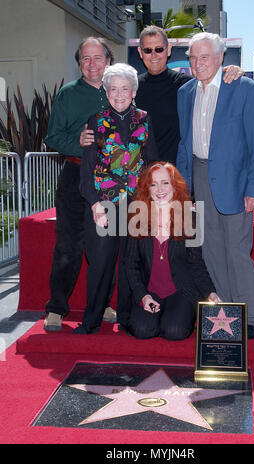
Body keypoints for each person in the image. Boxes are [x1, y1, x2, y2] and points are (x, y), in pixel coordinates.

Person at [176, 32, 254, 339]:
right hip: (199, 176)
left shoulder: (243, 88)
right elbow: (184, 142)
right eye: (192, 57)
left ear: (220, 59)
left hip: (235, 181)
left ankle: (252, 318)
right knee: (211, 251)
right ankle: (229, 315)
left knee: (237, 250)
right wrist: (183, 187)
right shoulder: (186, 92)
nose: (197, 63)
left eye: (204, 57)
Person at [73, 63, 158, 334]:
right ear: (106, 92)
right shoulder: (94, 122)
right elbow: (86, 170)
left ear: (134, 91)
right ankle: (91, 320)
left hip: (136, 204)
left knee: (130, 263)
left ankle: (126, 318)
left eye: (124, 89)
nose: (119, 94)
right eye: (113, 89)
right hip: (103, 204)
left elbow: (152, 162)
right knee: (100, 263)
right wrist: (95, 204)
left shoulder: (145, 118)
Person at [80, 26, 243, 164]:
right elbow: (109, 120)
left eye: (159, 49)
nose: (154, 55)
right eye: (148, 50)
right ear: (140, 52)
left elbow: (213, 86)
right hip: (138, 175)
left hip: (177, 173)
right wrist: (87, 137)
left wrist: (230, 71)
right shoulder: (131, 88)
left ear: (168, 50)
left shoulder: (187, 85)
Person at [43, 37, 114, 331]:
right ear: (79, 64)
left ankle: (104, 304)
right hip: (74, 176)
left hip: (110, 180)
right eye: (86, 59)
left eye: (98, 57)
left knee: (105, 247)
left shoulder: (120, 90)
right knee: (68, 246)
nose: (92, 63)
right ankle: (56, 308)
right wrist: (77, 142)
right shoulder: (68, 94)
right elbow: (52, 137)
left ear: (108, 60)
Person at [125, 162, 220, 340]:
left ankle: (177, 314)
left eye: (165, 182)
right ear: (147, 189)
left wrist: (210, 292)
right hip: (149, 291)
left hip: (181, 291)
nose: (160, 189)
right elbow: (131, 265)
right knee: (142, 330)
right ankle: (155, 315)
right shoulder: (137, 219)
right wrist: (143, 296)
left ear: (175, 186)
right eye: (153, 184)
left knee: (174, 331)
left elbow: (196, 265)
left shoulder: (189, 219)